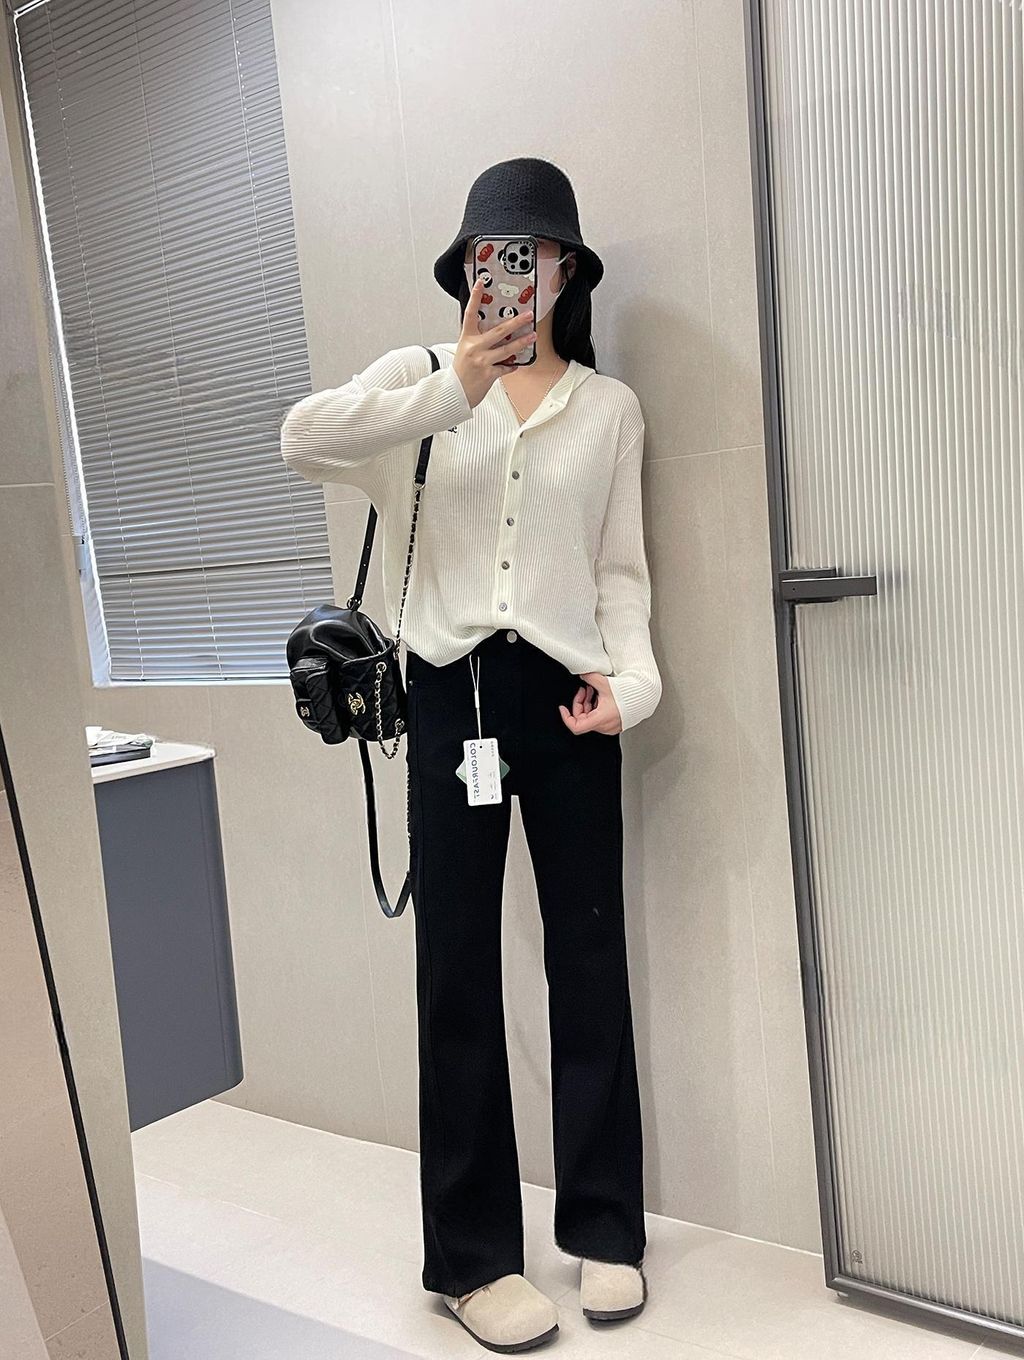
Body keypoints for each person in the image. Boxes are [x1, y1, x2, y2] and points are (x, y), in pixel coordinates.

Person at [280, 157, 661, 1353]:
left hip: (568, 700)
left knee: (587, 957)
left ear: (568, 272)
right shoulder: (415, 379)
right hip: (450, 698)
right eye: (498, 255)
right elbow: (300, 438)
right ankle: (470, 1257)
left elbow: (618, 571)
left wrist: (633, 686)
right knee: (456, 970)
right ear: (466, 269)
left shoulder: (608, 408)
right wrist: (454, 383)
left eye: (537, 255)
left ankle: (604, 1222)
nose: (517, 274)